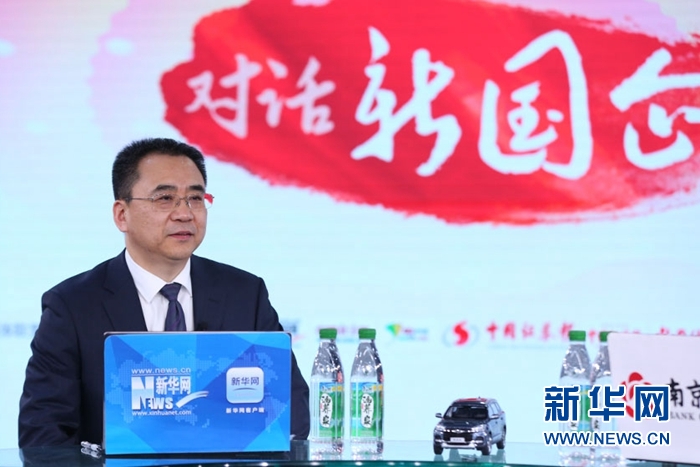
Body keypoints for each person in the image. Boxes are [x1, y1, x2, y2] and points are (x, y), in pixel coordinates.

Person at [18, 137, 310, 447]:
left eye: (195, 198)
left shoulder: (245, 294)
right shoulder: (73, 306)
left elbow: (290, 411)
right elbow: (42, 433)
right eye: (165, 198)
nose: (185, 213)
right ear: (122, 215)